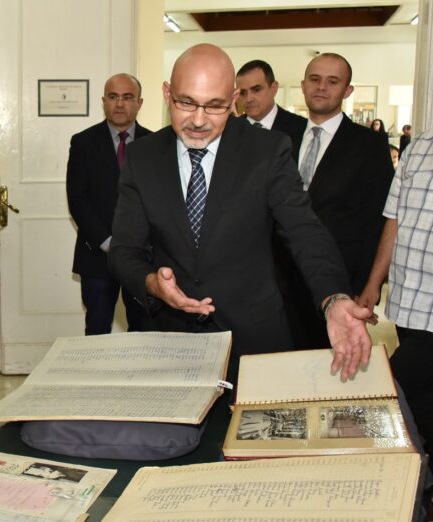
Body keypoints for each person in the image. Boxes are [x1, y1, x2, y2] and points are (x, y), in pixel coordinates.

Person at [108, 43, 373, 382]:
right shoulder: (142, 158)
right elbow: (123, 252)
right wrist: (152, 284)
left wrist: (334, 298)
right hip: (170, 340)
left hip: (254, 338)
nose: (199, 120)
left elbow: (304, 230)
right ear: (167, 94)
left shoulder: (267, 151)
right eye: (186, 102)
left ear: (233, 99)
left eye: (215, 106)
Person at [283, 53, 394, 349]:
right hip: (279, 281)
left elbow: (377, 221)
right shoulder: (281, 138)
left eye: (333, 82)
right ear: (303, 85)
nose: (322, 87)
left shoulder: (369, 145)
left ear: (347, 91)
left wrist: (370, 285)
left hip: (340, 282)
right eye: (315, 80)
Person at [358, 127, 433, 476]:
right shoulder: (419, 144)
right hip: (408, 302)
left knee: (397, 390)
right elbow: (395, 218)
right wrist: (374, 283)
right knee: (418, 403)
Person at [66, 73, 151, 335]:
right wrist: (108, 242)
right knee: (97, 329)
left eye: (127, 97)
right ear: (103, 101)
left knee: (143, 328)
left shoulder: (156, 144)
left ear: (139, 102)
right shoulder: (83, 143)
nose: (120, 104)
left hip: (143, 256)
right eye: (113, 97)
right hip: (97, 254)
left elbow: (162, 203)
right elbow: (78, 200)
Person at [235, 59, 307, 145]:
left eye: (256, 90)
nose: (248, 99)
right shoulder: (230, 129)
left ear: (274, 88)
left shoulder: (302, 128)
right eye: (242, 93)